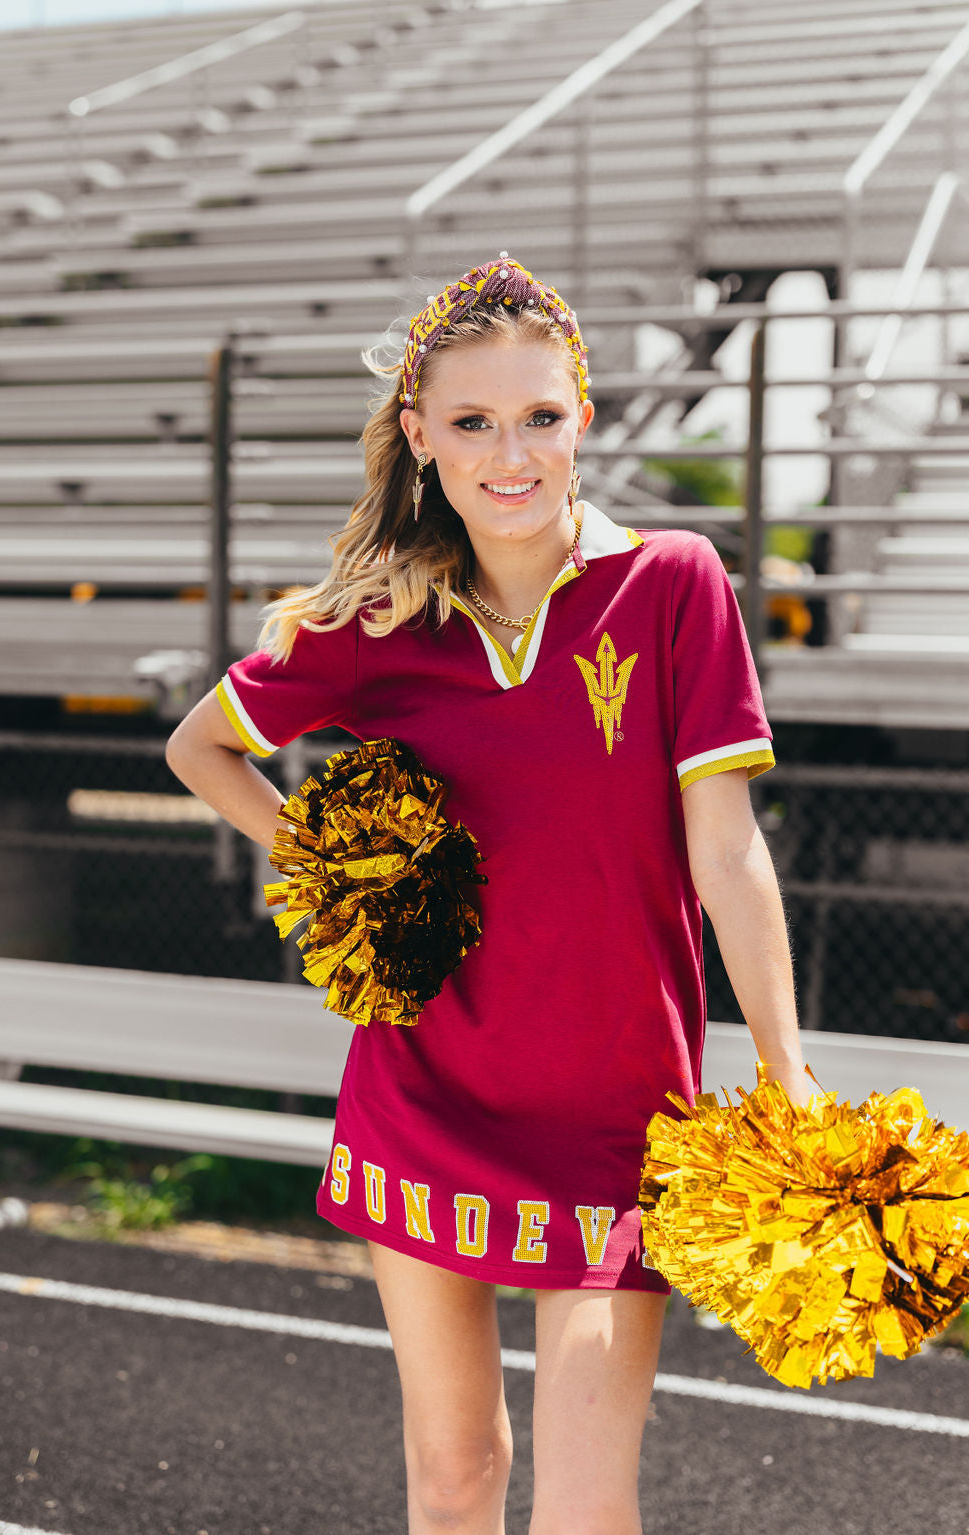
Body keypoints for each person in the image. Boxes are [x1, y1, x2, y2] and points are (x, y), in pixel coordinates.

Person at [165, 252, 810, 1535]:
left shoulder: (674, 583)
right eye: (470, 422)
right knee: (453, 1480)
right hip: (426, 1091)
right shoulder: (377, 618)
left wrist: (787, 1073)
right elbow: (201, 746)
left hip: (620, 1113)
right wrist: (339, 871)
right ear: (419, 436)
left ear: (585, 415)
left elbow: (726, 851)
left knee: (583, 1510)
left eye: (539, 417)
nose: (508, 454)